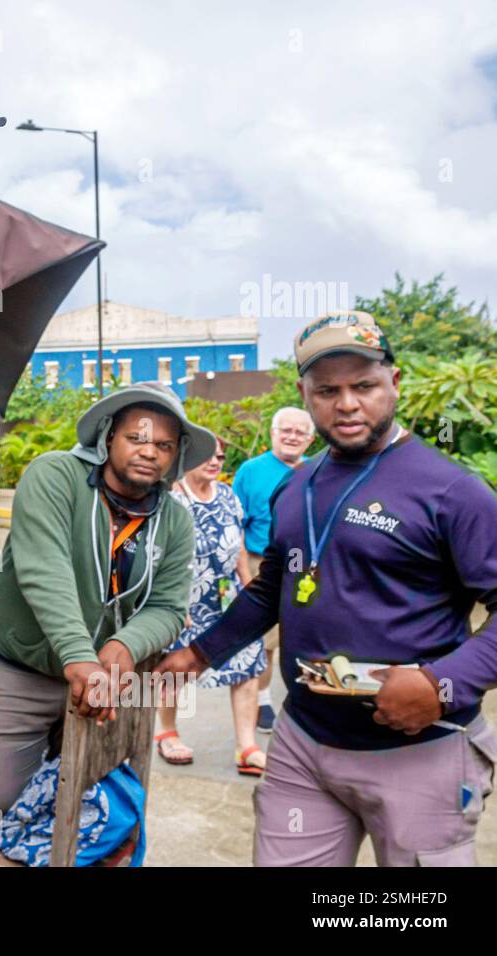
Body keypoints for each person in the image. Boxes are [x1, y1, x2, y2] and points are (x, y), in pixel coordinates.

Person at [157, 310, 497, 866]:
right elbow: (272, 589)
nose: (346, 404)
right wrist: (199, 653)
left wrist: (441, 684)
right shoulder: (295, 487)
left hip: (422, 749)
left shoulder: (453, 492)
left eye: (363, 385)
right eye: (327, 390)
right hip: (303, 743)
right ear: (304, 393)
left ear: (395, 382)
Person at [0, 381, 214, 813]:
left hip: (103, 677)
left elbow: (170, 607)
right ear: (107, 437)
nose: (149, 450)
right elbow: (45, 569)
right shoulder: (55, 475)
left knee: (85, 794)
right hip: (17, 664)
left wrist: (124, 645)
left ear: (176, 456)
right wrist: (80, 656)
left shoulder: (174, 520)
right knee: (2, 799)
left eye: (164, 444)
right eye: (136, 437)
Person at [155, 434, 267, 775]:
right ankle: (167, 732)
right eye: (209, 456)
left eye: (221, 457)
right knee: (176, 670)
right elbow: (158, 554)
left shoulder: (229, 496)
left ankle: (247, 746)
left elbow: (241, 549)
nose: (216, 462)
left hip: (228, 597)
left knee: (247, 665)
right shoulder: (173, 500)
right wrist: (172, 604)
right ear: (188, 458)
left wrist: (250, 590)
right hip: (185, 600)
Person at [231, 406, 314, 732]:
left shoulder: (319, 469)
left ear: (310, 439)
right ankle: (263, 700)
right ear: (273, 434)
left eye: (300, 433)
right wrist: (244, 575)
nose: (292, 437)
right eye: (286, 431)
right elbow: (235, 525)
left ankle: (306, 704)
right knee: (263, 642)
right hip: (261, 563)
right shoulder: (251, 471)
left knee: (305, 637)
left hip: (308, 566)